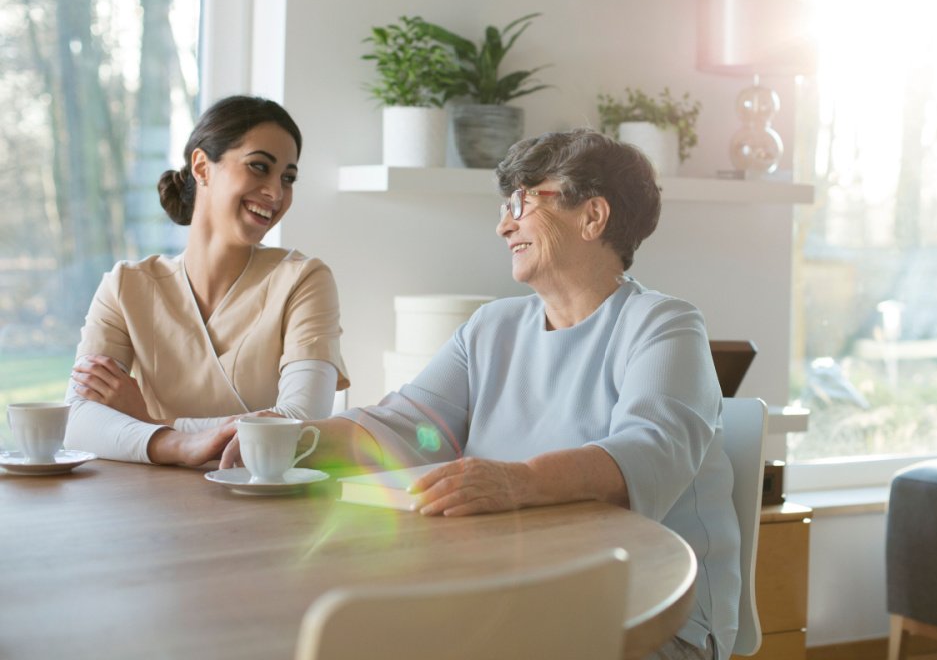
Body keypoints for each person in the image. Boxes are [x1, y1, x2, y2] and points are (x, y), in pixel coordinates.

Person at [222, 129, 738, 659]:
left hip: (647, 612)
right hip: (518, 591)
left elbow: (652, 452)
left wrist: (520, 481)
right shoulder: (492, 326)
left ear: (593, 216)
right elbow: (409, 424)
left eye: (521, 202)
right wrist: (295, 437)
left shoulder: (663, 324)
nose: (503, 224)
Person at [64, 95, 350, 466]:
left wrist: (153, 423)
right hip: (148, 506)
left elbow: (300, 424)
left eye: (288, 178)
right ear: (202, 166)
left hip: (269, 506)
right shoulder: (125, 286)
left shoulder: (303, 280)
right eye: (259, 167)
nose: (276, 193)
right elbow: (77, 421)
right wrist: (180, 445)